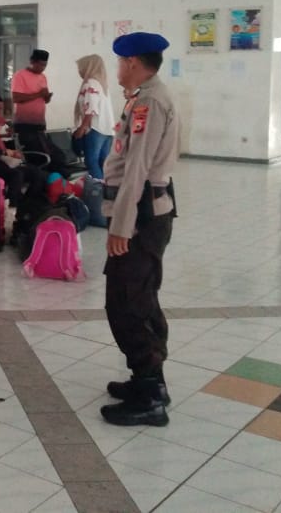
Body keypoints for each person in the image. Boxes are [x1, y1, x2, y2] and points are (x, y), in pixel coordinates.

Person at [99, 32, 179, 428]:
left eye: (120, 61)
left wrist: (121, 227)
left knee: (127, 302)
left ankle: (149, 398)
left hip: (141, 218)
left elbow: (137, 169)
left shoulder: (149, 101)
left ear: (132, 62)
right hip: (145, 213)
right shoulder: (145, 97)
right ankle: (150, 382)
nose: (117, 68)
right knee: (139, 297)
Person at [0, 95, 44, 207]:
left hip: (2, 163)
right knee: (17, 174)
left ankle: (27, 204)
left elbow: (0, 147)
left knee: (36, 172)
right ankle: (11, 206)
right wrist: (6, 153)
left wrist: (10, 152)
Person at [73, 55, 115, 180]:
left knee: (91, 162)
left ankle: (98, 189)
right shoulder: (102, 84)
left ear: (88, 67)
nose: (79, 72)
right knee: (103, 163)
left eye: (81, 68)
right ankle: (106, 188)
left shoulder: (91, 83)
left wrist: (82, 128)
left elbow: (91, 109)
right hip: (108, 130)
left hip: (96, 129)